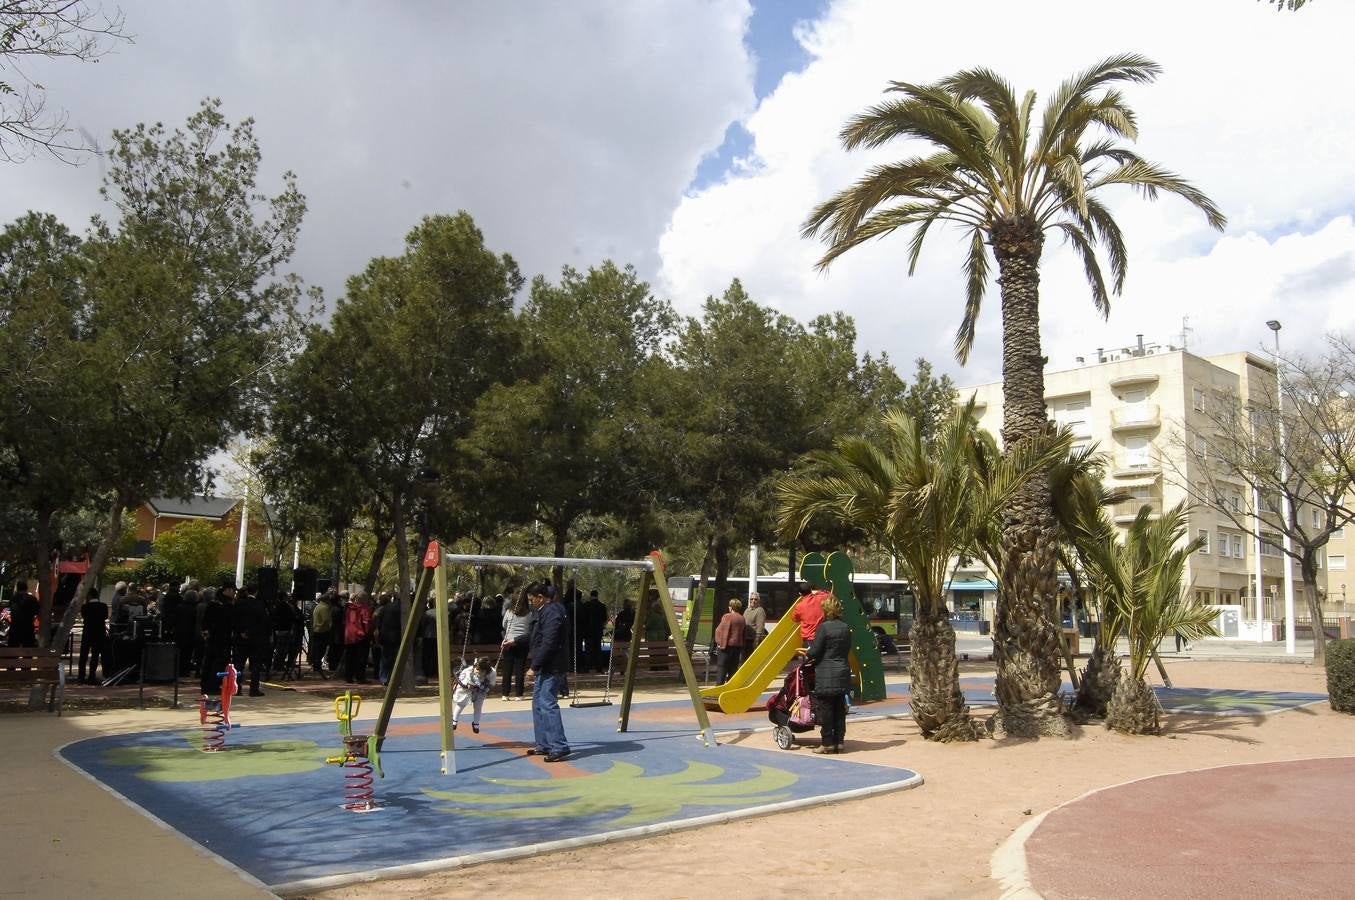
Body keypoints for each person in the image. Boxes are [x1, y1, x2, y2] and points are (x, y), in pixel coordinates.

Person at [526, 582, 571, 762]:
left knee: (547, 704)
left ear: (540, 597)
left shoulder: (552, 612)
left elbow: (549, 642)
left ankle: (559, 746)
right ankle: (543, 744)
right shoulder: (543, 612)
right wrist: (516, 640)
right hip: (545, 665)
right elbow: (536, 636)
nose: (530, 603)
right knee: (538, 705)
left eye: (532, 600)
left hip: (551, 666)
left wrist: (534, 666)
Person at [804, 595, 852, 754]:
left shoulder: (824, 628)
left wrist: (808, 654)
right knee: (840, 709)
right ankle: (840, 742)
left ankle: (827, 743)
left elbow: (816, 651)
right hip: (842, 671)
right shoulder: (845, 627)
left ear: (826, 610)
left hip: (826, 673)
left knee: (826, 709)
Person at [230, 583, 269, 697]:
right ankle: (254, 689)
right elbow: (262, 622)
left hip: (240, 639)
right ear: (256, 592)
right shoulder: (259, 605)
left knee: (239, 664)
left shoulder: (239, 604)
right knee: (256, 665)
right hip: (255, 639)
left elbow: (234, 620)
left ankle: (236, 687)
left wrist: (241, 631)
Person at [500, 590, 534, 700]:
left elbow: (504, 625)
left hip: (508, 642)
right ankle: (519, 694)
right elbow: (530, 628)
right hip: (522, 643)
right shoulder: (529, 614)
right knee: (520, 668)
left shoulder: (509, 613)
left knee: (507, 669)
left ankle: (505, 693)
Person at [198, 587, 232, 695]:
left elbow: (205, 621)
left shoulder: (212, 604)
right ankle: (213, 685)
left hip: (212, 636)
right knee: (218, 662)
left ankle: (205, 684)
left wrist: (206, 631)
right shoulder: (226, 605)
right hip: (221, 637)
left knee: (209, 660)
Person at [452, 657, 496, 733]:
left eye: (481, 671)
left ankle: (476, 723)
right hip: (466, 688)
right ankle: (454, 721)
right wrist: (468, 684)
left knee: (478, 707)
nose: (478, 672)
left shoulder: (492, 673)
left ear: (486, 672)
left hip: (481, 690)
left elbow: (492, 683)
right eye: (477, 669)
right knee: (461, 703)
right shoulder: (468, 671)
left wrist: (486, 686)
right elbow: (463, 681)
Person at [78, 588, 108, 683]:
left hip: (87, 633)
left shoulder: (85, 607)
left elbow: (84, 617)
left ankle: (81, 676)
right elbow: (105, 617)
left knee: (83, 655)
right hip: (99, 633)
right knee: (95, 655)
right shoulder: (103, 606)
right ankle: (92, 675)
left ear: (89, 596)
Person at [714, 597, 747, 684]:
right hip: (737, 647)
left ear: (731, 607)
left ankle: (719, 688)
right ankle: (731, 687)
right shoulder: (742, 618)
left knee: (722, 669)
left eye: (729, 606)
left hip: (726, 647)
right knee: (733, 669)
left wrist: (719, 642)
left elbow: (720, 630)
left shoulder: (727, 616)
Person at [343, 590, 373, 683]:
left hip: (349, 636)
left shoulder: (349, 609)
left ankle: (348, 676)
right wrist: (368, 633)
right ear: (364, 599)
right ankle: (360, 677)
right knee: (361, 658)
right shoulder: (364, 609)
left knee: (350, 657)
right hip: (360, 636)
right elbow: (367, 622)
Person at [374, 593, 402, 685]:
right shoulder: (403, 609)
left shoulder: (384, 609)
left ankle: (384, 679)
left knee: (386, 659)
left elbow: (377, 626)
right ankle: (394, 679)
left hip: (386, 637)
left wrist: (377, 640)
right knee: (396, 659)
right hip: (398, 637)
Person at [5, 580, 39, 648]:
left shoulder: (13, 599)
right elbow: (37, 612)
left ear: (17, 588)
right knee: (28, 652)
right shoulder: (32, 599)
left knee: (12, 652)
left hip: (15, 628)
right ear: (26, 588)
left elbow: (11, 609)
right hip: (27, 628)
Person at [309, 588, 334, 675]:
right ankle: (317, 666)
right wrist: (329, 627)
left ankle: (316, 665)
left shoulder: (317, 606)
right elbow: (326, 620)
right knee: (321, 650)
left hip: (316, 630)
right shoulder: (325, 608)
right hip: (322, 631)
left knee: (317, 649)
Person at [581, 589, 607, 672]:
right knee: (598, 649)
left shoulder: (586, 605)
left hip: (588, 631)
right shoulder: (602, 606)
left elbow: (583, 619)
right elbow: (604, 619)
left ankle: (587, 667)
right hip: (598, 631)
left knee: (588, 649)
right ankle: (598, 667)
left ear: (590, 596)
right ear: (597, 596)